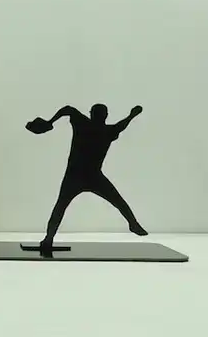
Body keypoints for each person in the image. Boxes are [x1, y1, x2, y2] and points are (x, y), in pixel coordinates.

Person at [32, 104, 148, 250]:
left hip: (78, 175)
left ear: (91, 114)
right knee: (117, 201)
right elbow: (122, 125)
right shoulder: (107, 131)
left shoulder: (83, 124)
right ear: (106, 115)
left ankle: (48, 239)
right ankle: (133, 223)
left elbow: (68, 109)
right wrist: (132, 115)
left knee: (60, 207)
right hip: (90, 176)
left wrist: (50, 121)